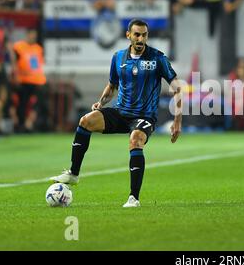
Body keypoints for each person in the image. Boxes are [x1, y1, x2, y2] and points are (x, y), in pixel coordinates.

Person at [50, 19, 182, 208]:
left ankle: (133, 198)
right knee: (86, 121)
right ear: (128, 35)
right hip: (121, 113)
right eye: (137, 34)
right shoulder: (118, 57)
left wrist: (177, 121)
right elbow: (112, 85)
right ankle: (73, 173)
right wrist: (101, 102)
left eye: (144, 35)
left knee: (135, 140)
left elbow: (177, 88)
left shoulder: (157, 58)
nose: (141, 38)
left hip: (144, 117)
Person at [11, 29, 46, 132]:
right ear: (27, 35)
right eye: (31, 35)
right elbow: (14, 62)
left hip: (37, 81)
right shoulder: (19, 47)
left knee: (35, 104)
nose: (33, 37)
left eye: (34, 35)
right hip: (23, 81)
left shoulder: (38, 49)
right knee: (21, 104)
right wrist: (15, 75)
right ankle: (19, 124)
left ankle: (28, 124)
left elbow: (39, 65)